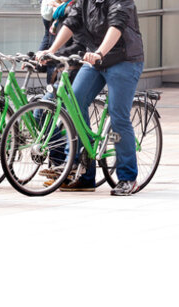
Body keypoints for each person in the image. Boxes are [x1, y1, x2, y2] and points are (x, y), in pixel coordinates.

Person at [37, 0, 144, 196]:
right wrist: (51, 51)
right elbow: (71, 22)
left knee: (118, 115)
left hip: (124, 60)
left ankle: (128, 177)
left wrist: (99, 52)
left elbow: (116, 25)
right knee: (74, 104)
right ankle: (85, 174)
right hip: (95, 60)